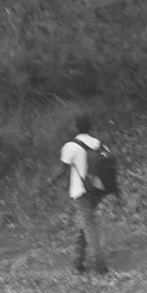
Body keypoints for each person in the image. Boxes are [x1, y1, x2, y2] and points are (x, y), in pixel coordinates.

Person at [58, 113, 114, 275]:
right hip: (97, 190)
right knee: (85, 224)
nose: (70, 127)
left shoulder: (70, 146)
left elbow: (62, 171)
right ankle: (77, 262)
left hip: (81, 192)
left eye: (72, 125)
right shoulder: (97, 143)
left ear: (75, 127)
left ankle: (100, 264)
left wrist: (46, 185)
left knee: (89, 225)